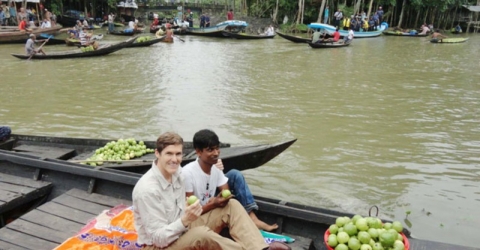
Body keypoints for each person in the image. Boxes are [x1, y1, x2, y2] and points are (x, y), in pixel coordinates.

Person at [132, 132, 290, 250]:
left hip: (180, 230)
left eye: (178, 154)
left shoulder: (177, 173)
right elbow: (159, 239)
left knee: (232, 205)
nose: (175, 159)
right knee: (202, 234)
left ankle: (261, 248)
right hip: (159, 246)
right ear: (157, 154)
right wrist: (185, 220)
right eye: (169, 154)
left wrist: (211, 168)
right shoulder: (147, 190)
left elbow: (194, 180)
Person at [183, 129, 280, 232]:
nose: (216, 153)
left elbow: (226, 194)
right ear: (198, 152)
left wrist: (219, 199)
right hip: (197, 217)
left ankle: (252, 218)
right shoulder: (187, 173)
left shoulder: (214, 166)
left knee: (235, 175)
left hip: (209, 207)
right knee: (232, 208)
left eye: (217, 148)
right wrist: (213, 203)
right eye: (210, 150)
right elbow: (191, 213)